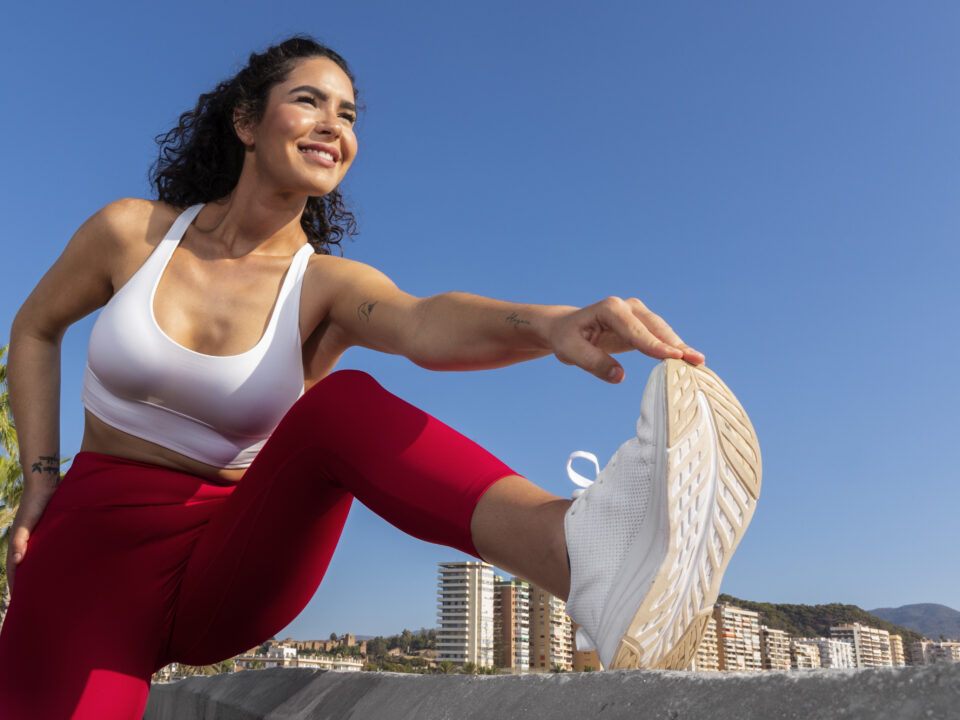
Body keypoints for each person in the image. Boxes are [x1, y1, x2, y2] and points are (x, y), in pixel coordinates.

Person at [0, 36, 761, 719]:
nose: (337, 125)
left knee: (340, 408)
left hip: (225, 556)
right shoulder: (131, 234)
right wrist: (40, 478)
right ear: (245, 123)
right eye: (309, 101)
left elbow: (425, 322)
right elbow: (34, 329)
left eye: (350, 114)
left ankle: (578, 553)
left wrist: (551, 324)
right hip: (86, 558)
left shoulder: (322, 286)